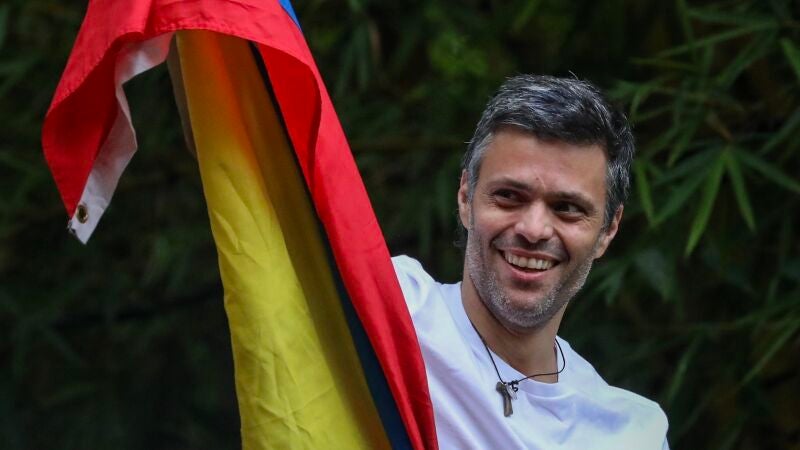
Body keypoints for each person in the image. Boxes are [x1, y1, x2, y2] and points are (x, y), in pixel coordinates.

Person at [393, 75, 669, 449]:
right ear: (465, 198)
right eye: (509, 196)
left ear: (608, 229)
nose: (534, 229)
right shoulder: (392, 310)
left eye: (567, 207)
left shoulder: (632, 435)